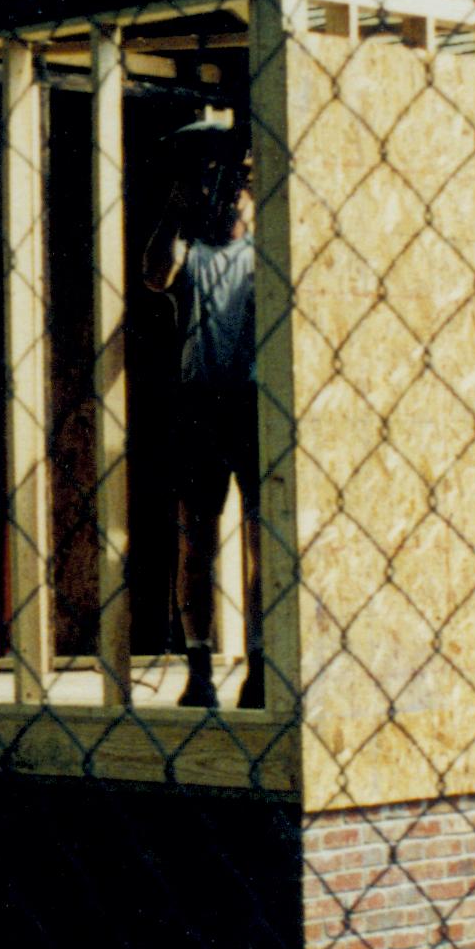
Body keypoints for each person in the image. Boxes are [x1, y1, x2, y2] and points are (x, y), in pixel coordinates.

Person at [142, 116, 263, 709]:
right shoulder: (192, 252)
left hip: (255, 404)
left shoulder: (268, 252)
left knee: (264, 541)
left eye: (233, 185)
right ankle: (201, 670)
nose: (225, 197)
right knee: (197, 540)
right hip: (199, 405)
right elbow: (154, 272)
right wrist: (179, 203)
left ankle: (261, 664)